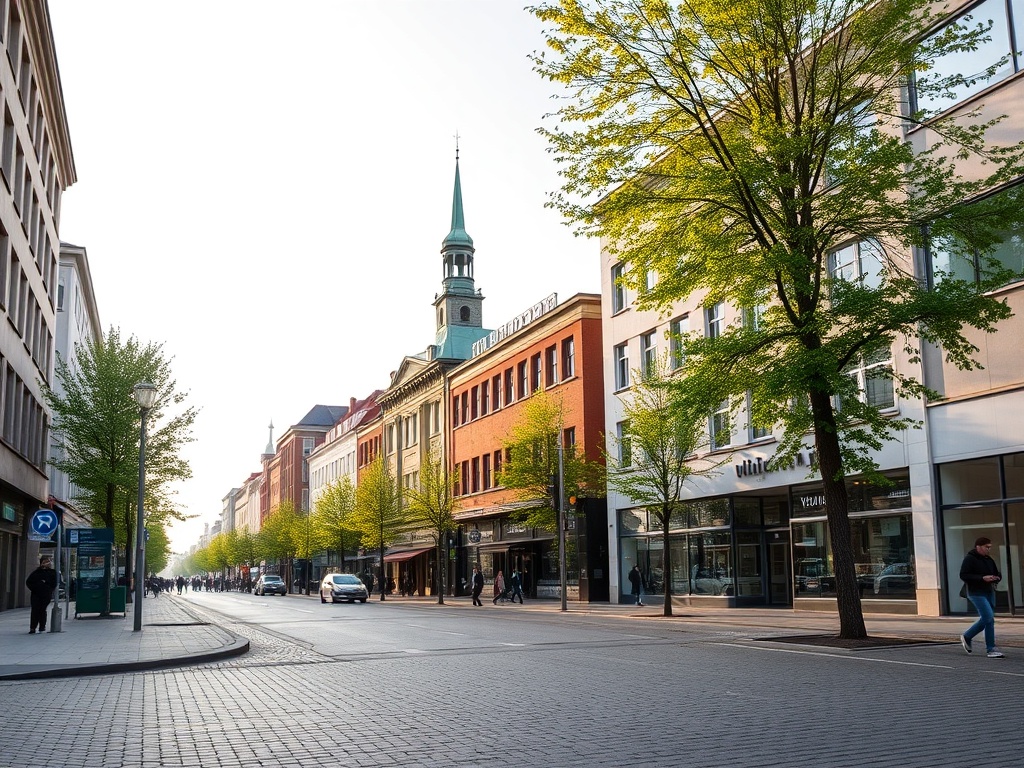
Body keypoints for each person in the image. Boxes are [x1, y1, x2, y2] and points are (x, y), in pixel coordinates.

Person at [960, 536, 1004, 658]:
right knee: (988, 617)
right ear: (978, 547)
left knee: (990, 620)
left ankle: (990, 648)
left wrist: (996, 578)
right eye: (986, 547)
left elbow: (997, 573)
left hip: (989, 591)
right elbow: (964, 575)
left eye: (989, 547)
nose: (988, 550)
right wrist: (981, 578)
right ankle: (971, 637)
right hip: (976, 592)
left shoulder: (989, 559)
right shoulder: (970, 559)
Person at [25, 555, 57, 634]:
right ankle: (33, 627)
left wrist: (48, 588)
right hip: (36, 594)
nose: (46, 563)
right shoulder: (36, 572)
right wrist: (35, 587)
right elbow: (29, 582)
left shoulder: (52, 572)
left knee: (42, 610)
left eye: (47, 562)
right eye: (44, 562)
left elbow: (54, 583)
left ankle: (42, 626)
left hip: (46, 594)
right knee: (35, 610)